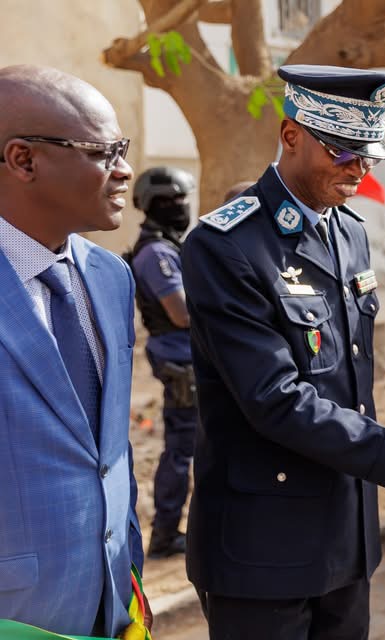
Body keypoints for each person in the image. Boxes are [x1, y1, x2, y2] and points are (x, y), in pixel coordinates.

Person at [181, 64, 385, 640]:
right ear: (291, 135)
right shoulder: (226, 244)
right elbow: (276, 400)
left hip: (346, 537)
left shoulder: (349, 231)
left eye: (369, 156)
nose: (358, 169)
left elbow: (352, 388)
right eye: (341, 152)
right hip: (262, 547)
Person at [0, 65, 151, 637]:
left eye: (123, 149)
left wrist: (129, 572)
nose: (125, 170)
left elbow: (109, 451)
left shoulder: (111, 276)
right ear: (23, 160)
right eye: (103, 152)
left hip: (110, 602)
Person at [127, 166, 198, 559]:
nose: (180, 206)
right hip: (180, 362)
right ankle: (166, 534)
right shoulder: (156, 252)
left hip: (187, 358)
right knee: (181, 450)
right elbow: (182, 313)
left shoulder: (169, 245)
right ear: (152, 206)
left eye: (182, 199)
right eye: (170, 201)